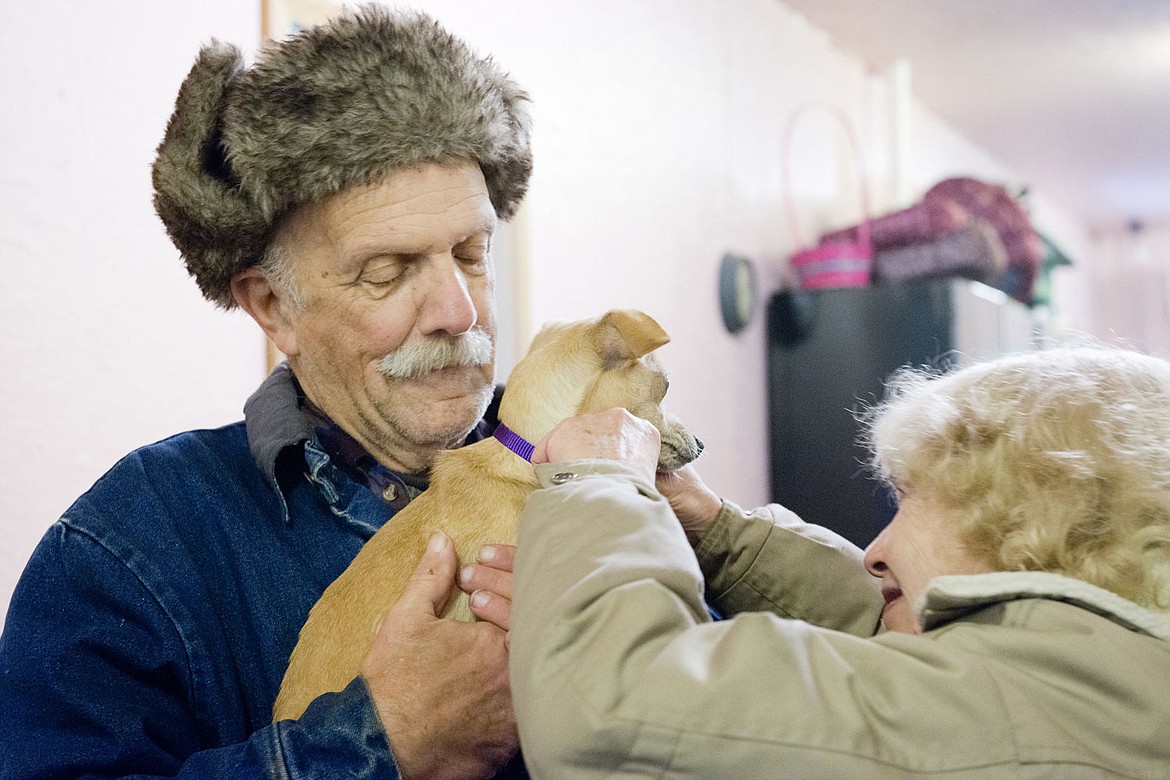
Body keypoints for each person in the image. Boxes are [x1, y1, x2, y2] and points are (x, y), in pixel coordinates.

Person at [0, 7, 533, 779]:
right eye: (387, 271)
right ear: (273, 307)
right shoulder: (129, 550)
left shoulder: (597, 471)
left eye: (472, 253)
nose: (459, 312)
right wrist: (379, 745)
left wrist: (689, 565)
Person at [510, 345, 1170, 778]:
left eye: (909, 498)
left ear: (1027, 521)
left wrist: (600, 485)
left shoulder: (1012, 720)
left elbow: (607, 710)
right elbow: (886, 653)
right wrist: (719, 532)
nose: (877, 554)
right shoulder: (1107, 690)